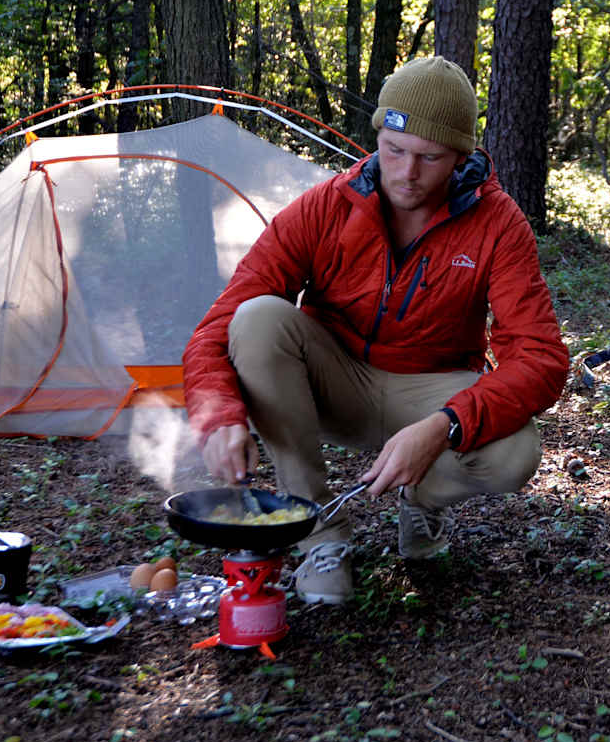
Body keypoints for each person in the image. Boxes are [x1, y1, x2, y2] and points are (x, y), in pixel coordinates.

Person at [180, 56, 570, 604]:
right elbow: (216, 327)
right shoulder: (326, 206)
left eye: (430, 158)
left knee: (515, 452)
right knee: (257, 319)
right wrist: (219, 413)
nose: (407, 173)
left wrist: (442, 427)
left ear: (460, 157)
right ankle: (318, 532)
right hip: (334, 380)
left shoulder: (497, 224)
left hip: (430, 389)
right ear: (379, 137)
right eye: (394, 150)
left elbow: (540, 359)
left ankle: (423, 501)